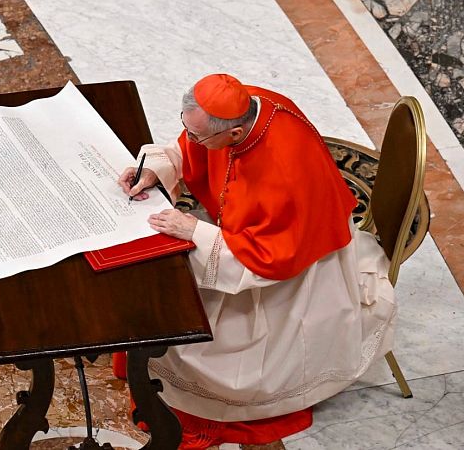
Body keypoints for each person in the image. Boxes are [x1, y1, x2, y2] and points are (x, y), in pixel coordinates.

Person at [117, 74, 396, 449]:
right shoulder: (242, 106)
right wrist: (159, 167)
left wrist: (195, 231)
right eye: (188, 126)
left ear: (234, 134)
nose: (192, 140)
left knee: (200, 345)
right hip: (259, 237)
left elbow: (268, 259)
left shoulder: (284, 171)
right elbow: (188, 144)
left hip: (295, 269)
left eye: (199, 136)